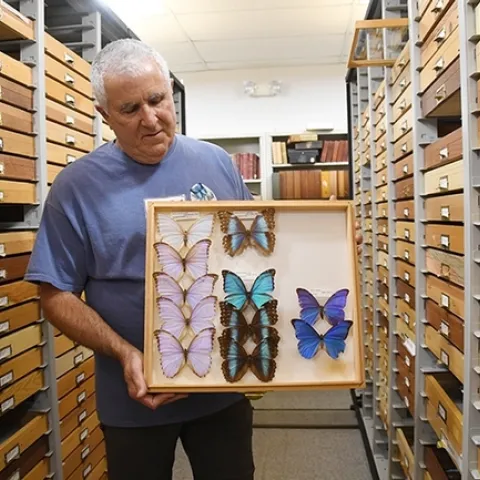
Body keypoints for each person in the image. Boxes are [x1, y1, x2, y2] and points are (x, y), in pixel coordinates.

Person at [25, 39, 362, 479]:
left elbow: (258, 256)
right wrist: (126, 354)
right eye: (129, 109)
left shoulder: (216, 163)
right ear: (104, 115)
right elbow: (54, 295)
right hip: (135, 396)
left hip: (222, 387)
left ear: (169, 91)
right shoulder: (75, 187)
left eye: (157, 99)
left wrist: (325, 247)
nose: (150, 119)